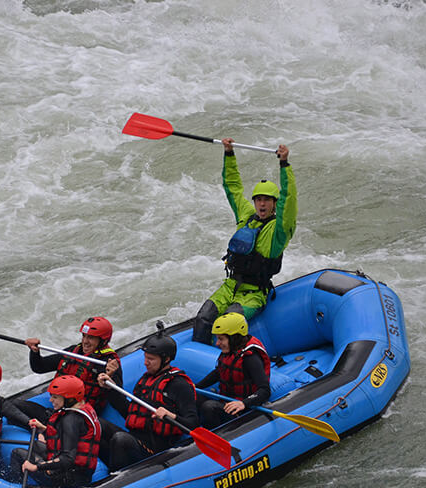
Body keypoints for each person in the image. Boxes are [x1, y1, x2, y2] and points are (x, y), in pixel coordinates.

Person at [191, 140, 297, 344]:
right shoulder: (247, 216)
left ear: (275, 204)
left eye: (267, 200)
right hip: (230, 286)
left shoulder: (279, 231)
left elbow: (289, 199)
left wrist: (284, 165)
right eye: (258, 199)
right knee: (203, 318)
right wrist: (229, 153)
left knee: (228, 323)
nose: (262, 203)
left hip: (254, 294)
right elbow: (233, 188)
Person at [100, 333, 199, 470]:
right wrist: (110, 388)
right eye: (146, 358)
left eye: (151, 359)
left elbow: (193, 424)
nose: (146, 362)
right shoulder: (145, 380)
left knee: (121, 439)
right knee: (97, 424)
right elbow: (128, 412)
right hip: (135, 438)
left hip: (156, 449)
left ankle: (114, 480)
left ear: (166, 359)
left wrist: (171, 416)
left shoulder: (179, 385)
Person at [22, 316, 122, 420]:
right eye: (84, 336)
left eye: (91, 338)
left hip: (80, 416)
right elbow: (39, 367)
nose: (85, 341)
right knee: (16, 405)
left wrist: (110, 379)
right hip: (59, 408)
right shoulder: (73, 351)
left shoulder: (108, 362)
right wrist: (34, 352)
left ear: (103, 341)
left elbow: (119, 400)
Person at [9, 375, 102, 488]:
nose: (51, 400)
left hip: (68, 480)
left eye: (55, 397)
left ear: (69, 398)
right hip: (77, 473)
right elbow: (71, 438)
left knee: (17, 453)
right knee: (36, 445)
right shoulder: (82, 409)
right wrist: (43, 428)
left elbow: (67, 459)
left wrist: (37, 467)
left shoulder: (70, 419)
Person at [196, 312, 271, 428]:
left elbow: (265, 391)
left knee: (209, 407)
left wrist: (244, 403)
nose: (217, 343)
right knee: (194, 395)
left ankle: (214, 435)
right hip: (227, 401)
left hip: (243, 409)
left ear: (234, 338)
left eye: (221, 339)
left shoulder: (250, 358)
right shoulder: (231, 350)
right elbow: (218, 372)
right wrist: (196, 387)